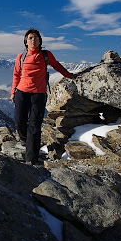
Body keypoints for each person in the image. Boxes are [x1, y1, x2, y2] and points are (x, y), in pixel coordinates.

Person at [11, 28, 76, 165]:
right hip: (22, 92)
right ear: (26, 42)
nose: (33, 40)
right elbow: (16, 75)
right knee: (19, 121)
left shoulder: (46, 55)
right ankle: (25, 140)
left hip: (38, 94)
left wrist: (69, 75)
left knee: (34, 126)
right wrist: (13, 92)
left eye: (36, 37)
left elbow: (57, 65)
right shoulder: (21, 57)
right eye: (30, 38)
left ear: (40, 41)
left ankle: (31, 159)